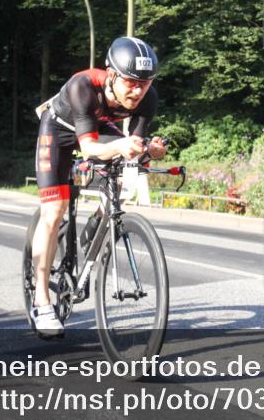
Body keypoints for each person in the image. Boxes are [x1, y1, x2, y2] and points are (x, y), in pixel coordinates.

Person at [31, 36, 167, 336]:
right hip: (59, 129)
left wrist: (149, 149)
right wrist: (123, 144)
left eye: (145, 83)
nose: (138, 90)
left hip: (98, 126)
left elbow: (136, 144)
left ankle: (97, 225)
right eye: (131, 82)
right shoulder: (83, 85)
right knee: (53, 212)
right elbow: (91, 149)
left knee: (123, 170)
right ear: (112, 74)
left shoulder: (148, 97)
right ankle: (41, 300)